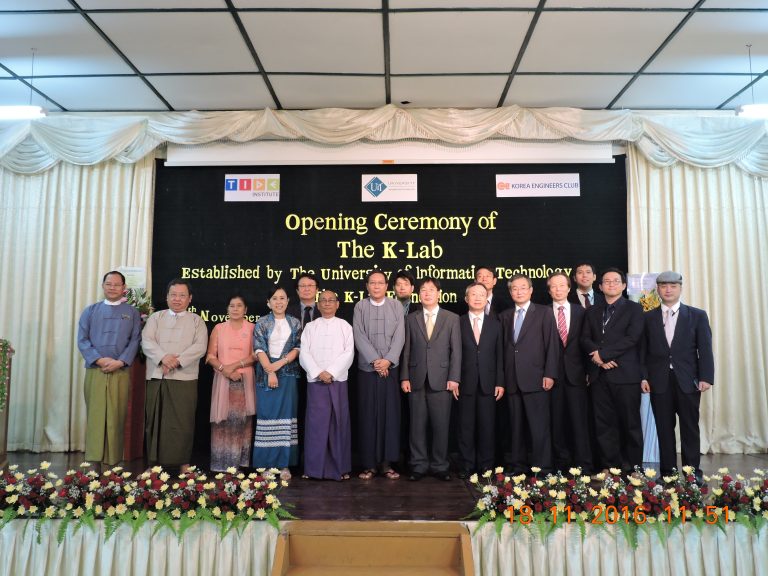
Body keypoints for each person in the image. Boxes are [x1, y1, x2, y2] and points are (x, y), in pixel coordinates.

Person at [642, 271, 714, 481]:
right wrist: (644, 377)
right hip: (659, 381)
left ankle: (692, 474)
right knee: (664, 429)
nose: (668, 290)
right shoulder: (648, 317)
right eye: (664, 286)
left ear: (680, 288)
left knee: (690, 427)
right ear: (658, 289)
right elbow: (642, 351)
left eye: (673, 286)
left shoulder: (697, 315)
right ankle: (668, 474)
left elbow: (705, 348)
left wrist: (706, 377)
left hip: (688, 380)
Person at [581, 268, 648, 474]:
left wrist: (603, 355)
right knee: (604, 424)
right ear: (600, 287)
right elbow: (584, 338)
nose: (611, 284)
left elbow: (632, 338)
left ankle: (633, 467)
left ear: (624, 285)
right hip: (599, 375)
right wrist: (598, 358)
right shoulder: (592, 311)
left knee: (630, 423)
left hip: (625, 375)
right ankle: (609, 466)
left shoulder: (634, 309)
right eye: (607, 281)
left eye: (616, 281)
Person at [142, 279, 208, 471]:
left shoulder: (196, 320)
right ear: (167, 297)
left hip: (184, 377)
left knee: (182, 422)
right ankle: (153, 465)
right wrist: (163, 358)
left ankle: (183, 464)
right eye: (173, 295)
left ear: (190, 298)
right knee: (155, 421)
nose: (177, 299)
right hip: (158, 376)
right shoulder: (156, 317)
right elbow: (146, 341)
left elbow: (200, 347)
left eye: (182, 295)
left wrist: (176, 361)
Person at [77, 271, 141, 466]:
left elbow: (135, 340)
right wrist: (98, 359)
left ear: (124, 288)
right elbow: (82, 340)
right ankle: (93, 461)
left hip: (120, 371)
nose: (112, 287)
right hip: (95, 370)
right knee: (96, 415)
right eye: (108, 284)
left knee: (116, 415)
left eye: (116, 284)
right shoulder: (90, 311)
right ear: (103, 285)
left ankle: (113, 463)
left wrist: (120, 362)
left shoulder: (132, 313)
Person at [401, 278, 461, 481]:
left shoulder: (451, 318)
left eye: (431, 290)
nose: (427, 293)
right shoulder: (411, 318)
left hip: (443, 380)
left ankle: (440, 465)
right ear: (418, 294)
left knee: (441, 425)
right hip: (416, 379)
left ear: (439, 294)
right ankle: (418, 465)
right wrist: (404, 377)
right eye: (423, 290)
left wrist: (454, 377)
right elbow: (406, 350)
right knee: (416, 426)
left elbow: (456, 351)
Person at [500, 274, 559, 475]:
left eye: (523, 288)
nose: (519, 292)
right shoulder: (505, 316)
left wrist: (550, 373)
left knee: (539, 426)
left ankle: (543, 468)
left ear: (531, 290)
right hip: (512, 379)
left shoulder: (544, 312)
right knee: (515, 427)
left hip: (537, 378)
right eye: (514, 288)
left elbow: (552, 345)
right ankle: (518, 466)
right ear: (510, 292)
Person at [353, 270, 405, 480]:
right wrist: (375, 360)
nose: (376, 286)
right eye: (372, 283)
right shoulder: (360, 306)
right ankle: (369, 465)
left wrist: (388, 360)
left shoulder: (396, 306)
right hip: (368, 370)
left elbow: (400, 336)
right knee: (368, 416)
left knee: (389, 416)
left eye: (380, 283)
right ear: (367, 286)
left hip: (389, 370)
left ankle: (387, 464)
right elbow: (358, 335)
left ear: (386, 286)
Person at [299, 290, 354, 481]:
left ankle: (340, 468)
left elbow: (349, 353)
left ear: (338, 304)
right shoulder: (310, 327)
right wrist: (318, 372)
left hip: (337, 380)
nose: (328, 303)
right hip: (316, 381)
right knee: (316, 425)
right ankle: (313, 469)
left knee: (338, 424)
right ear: (318, 304)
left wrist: (331, 372)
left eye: (331, 300)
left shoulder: (345, 326)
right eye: (323, 300)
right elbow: (304, 353)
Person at [252, 286, 302, 481]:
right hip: (266, 374)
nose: (279, 302)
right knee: (267, 415)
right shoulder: (262, 322)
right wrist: (270, 371)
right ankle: (266, 464)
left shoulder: (295, 322)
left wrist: (279, 365)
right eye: (274, 298)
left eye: (282, 298)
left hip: (288, 374)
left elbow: (297, 348)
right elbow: (259, 349)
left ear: (288, 301)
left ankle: (284, 465)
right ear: (268, 303)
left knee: (286, 417)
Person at [547, 272, 593, 473]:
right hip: (552, 376)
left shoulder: (581, 312)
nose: (558, 289)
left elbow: (587, 342)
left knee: (579, 421)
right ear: (549, 290)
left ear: (568, 288)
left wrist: (590, 371)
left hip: (577, 375)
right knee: (556, 423)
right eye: (553, 286)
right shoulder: (542, 313)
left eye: (561, 285)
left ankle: (584, 464)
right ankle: (560, 464)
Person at [205, 295, 256, 472]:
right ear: (227, 309)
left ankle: (238, 465)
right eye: (232, 305)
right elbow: (210, 356)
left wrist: (233, 367)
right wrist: (224, 369)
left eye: (239, 305)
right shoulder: (219, 328)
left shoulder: (252, 328)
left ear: (245, 309)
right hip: (223, 380)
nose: (235, 309)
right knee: (223, 421)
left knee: (241, 422)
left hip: (244, 381)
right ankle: (221, 465)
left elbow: (255, 355)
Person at [457, 282, 504, 478]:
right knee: (465, 426)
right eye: (473, 294)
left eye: (481, 295)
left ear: (487, 299)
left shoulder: (496, 323)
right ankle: (466, 465)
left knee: (487, 426)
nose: (477, 298)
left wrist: (500, 382)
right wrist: (454, 380)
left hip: (489, 383)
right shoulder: (457, 322)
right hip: (464, 382)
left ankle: (486, 466)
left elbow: (500, 355)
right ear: (466, 298)